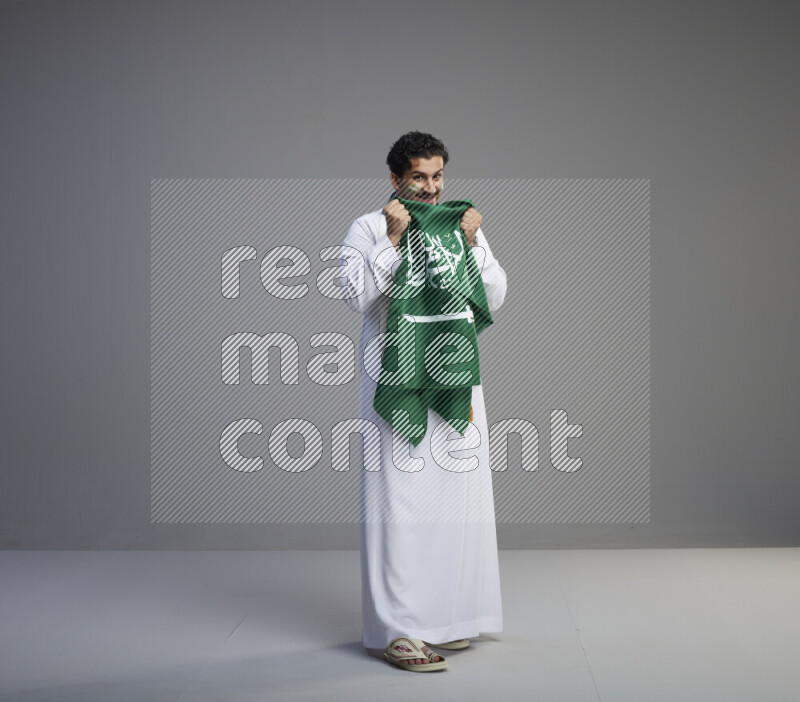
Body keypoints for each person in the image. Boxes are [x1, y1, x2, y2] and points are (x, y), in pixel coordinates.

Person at [339, 131, 508, 671]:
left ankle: (447, 619)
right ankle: (399, 631)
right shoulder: (368, 227)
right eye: (419, 177)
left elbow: (496, 295)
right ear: (395, 179)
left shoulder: (461, 225)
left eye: (437, 176)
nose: (431, 188)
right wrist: (391, 240)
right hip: (398, 384)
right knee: (401, 507)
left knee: (456, 503)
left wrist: (476, 243)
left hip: (453, 378)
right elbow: (354, 293)